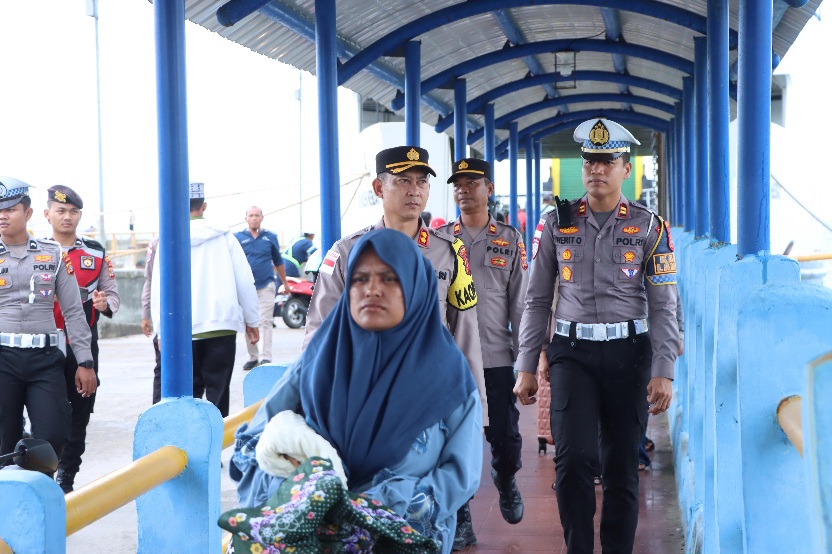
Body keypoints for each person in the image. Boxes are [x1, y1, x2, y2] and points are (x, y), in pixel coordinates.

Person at [230, 229, 483, 553]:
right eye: (360, 279)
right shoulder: (319, 360)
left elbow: (461, 474)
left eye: (390, 278)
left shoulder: (448, 376)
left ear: (416, 288)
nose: (372, 289)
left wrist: (387, 506)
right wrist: (301, 493)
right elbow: (253, 449)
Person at [513, 118, 679, 554]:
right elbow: (536, 300)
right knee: (573, 460)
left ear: (627, 168)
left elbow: (664, 304)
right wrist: (526, 365)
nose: (596, 170)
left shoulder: (650, 227)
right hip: (573, 354)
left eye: (608, 161)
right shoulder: (555, 224)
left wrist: (664, 369)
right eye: (590, 160)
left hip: (630, 355)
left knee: (621, 465)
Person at [303, 146, 488, 427]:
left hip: (430, 401)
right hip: (362, 401)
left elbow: (466, 336)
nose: (414, 190)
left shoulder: (451, 253)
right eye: (403, 181)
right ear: (379, 187)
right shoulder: (346, 253)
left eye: (422, 181)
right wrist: (312, 404)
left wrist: (476, 413)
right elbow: (319, 330)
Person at [437, 158, 529, 549]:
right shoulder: (438, 240)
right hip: (451, 363)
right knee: (455, 443)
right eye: (458, 183)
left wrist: (528, 359)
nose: (463, 189)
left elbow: (523, 304)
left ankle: (505, 478)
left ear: (488, 188)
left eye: (472, 183)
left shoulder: (509, 240)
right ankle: (462, 517)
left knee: (505, 440)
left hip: (496, 359)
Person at [0, 177, 95, 476]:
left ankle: (35, 476)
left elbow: (73, 312)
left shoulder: (53, 254)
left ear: (28, 214)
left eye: (11, 209)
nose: (3, 215)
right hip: (2, 359)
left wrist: (85, 361)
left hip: (45, 359)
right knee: (3, 440)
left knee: (54, 434)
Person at [151, 183, 260, 417]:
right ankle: (216, 449)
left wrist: (160, 330)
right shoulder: (225, 237)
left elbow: (158, 287)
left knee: (187, 396)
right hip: (222, 325)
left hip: (182, 329)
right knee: (218, 395)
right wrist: (252, 321)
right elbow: (245, 281)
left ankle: (191, 449)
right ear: (204, 206)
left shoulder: (168, 239)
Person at [43, 185, 121, 493]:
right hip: (44, 346)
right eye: (60, 211)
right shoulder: (35, 250)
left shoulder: (95, 252)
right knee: (46, 416)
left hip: (82, 348)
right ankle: (43, 478)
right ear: (47, 213)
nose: (67, 217)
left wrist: (106, 304)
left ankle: (66, 482)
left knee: (79, 416)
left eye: (73, 212)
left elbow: (112, 294)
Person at [234, 206, 290, 370]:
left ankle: (266, 357)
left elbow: (278, 262)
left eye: (257, 215)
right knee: (248, 321)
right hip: (245, 287)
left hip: (266, 284)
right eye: (251, 215)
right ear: (246, 218)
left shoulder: (270, 237)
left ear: (262, 218)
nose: (254, 218)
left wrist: (285, 283)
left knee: (265, 321)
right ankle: (252, 356)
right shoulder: (238, 238)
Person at [140, 237, 161, 403]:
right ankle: (158, 414)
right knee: (163, 371)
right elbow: (150, 279)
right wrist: (146, 313)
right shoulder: (157, 243)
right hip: (166, 321)